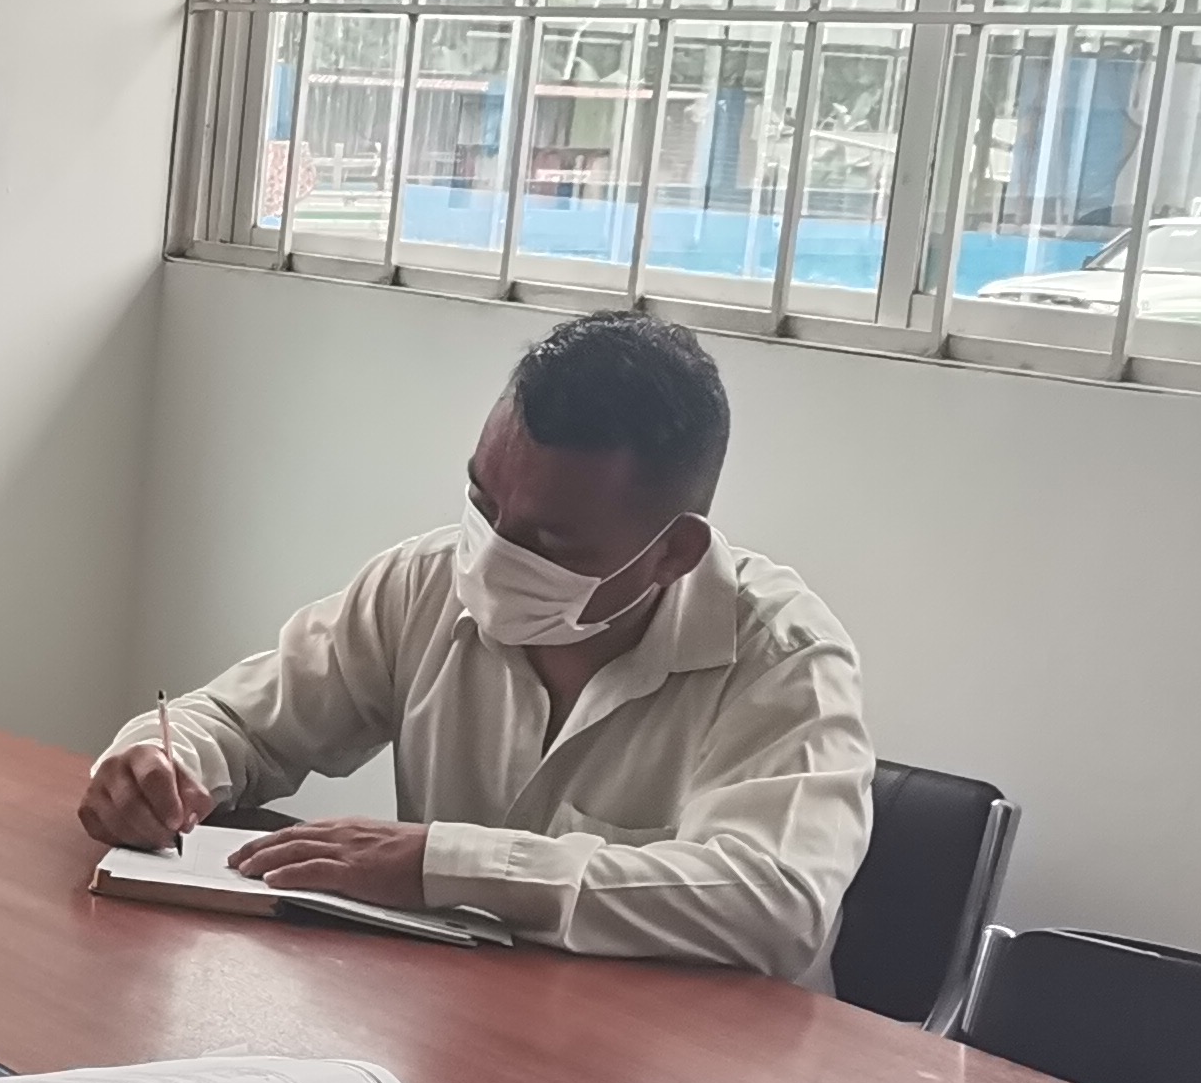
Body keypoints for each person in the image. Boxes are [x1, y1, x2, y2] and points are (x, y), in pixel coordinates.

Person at [79, 310, 871, 982]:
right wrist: (161, 763)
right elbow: (241, 722)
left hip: (704, 1079)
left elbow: (774, 902)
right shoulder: (423, 583)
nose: (492, 557)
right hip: (469, 1023)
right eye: (483, 503)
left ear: (673, 553)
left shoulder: (784, 659)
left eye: (550, 541)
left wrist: (442, 864)